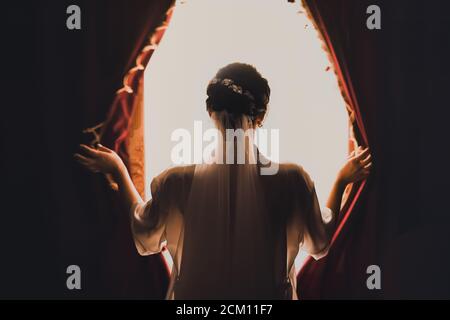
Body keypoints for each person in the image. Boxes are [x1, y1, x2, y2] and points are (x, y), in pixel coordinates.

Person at [75, 62, 372, 299]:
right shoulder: (293, 181)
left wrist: (117, 169)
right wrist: (342, 181)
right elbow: (320, 243)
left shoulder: (175, 183)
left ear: (209, 112)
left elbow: (145, 236)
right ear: (261, 115)